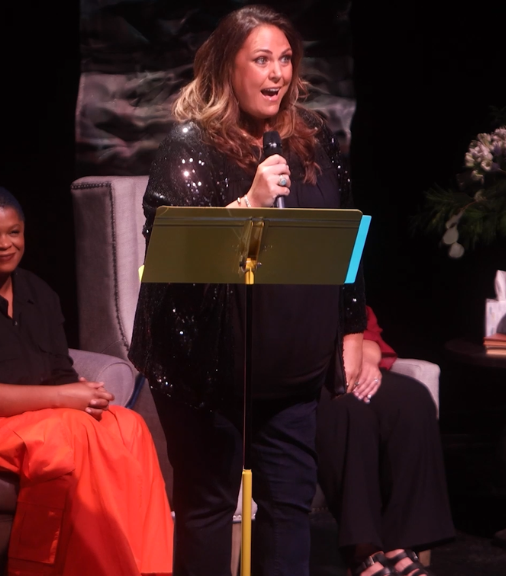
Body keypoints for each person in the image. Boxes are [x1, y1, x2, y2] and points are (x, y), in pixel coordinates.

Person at [129, 6, 368, 575]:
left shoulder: (314, 139)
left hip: (293, 371)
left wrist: (352, 324)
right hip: (206, 372)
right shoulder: (189, 146)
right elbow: (176, 257)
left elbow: (345, 235)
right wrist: (251, 205)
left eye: (285, 59)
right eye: (261, 59)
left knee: (289, 506)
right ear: (226, 69)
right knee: (208, 506)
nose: (277, 73)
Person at [0, 184, 173, 576]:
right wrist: (64, 396)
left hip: (34, 416)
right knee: (70, 429)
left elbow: (59, 371)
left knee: (128, 425)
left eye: (13, 232)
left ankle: (147, 568)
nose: (4, 244)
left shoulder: (38, 293)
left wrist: (84, 394)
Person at [315, 305, 452, 576]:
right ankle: (363, 550)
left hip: (350, 354)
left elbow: (361, 320)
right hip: (302, 371)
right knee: (349, 409)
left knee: (411, 401)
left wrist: (366, 355)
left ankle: (399, 543)